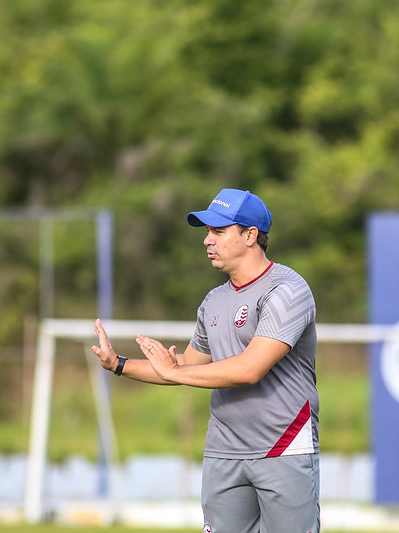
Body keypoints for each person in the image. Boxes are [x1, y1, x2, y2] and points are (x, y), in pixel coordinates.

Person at [92, 188, 319, 533]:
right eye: (206, 232)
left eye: (218, 231)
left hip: (283, 448)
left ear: (250, 235)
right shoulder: (213, 300)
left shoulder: (288, 290)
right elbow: (183, 367)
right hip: (223, 452)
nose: (207, 241)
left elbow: (249, 369)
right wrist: (119, 364)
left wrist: (175, 370)